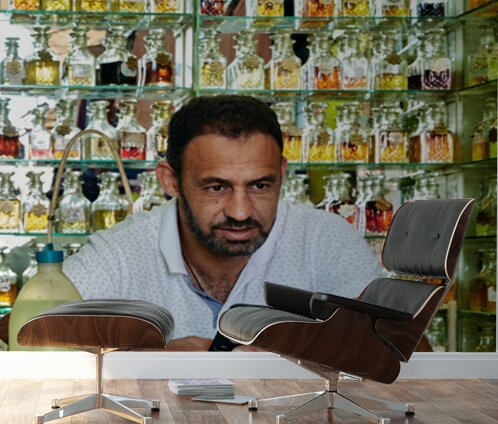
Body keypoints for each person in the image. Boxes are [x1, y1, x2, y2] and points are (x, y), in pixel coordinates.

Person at [62, 95, 383, 351]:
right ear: (170, 181)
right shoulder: (119, 253)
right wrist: (149, 357)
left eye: (260, 186)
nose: (241, 212)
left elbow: (398, 355)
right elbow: (32, 341)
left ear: (282, 174)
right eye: (216, 188)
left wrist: (295, 354)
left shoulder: (324, 240)